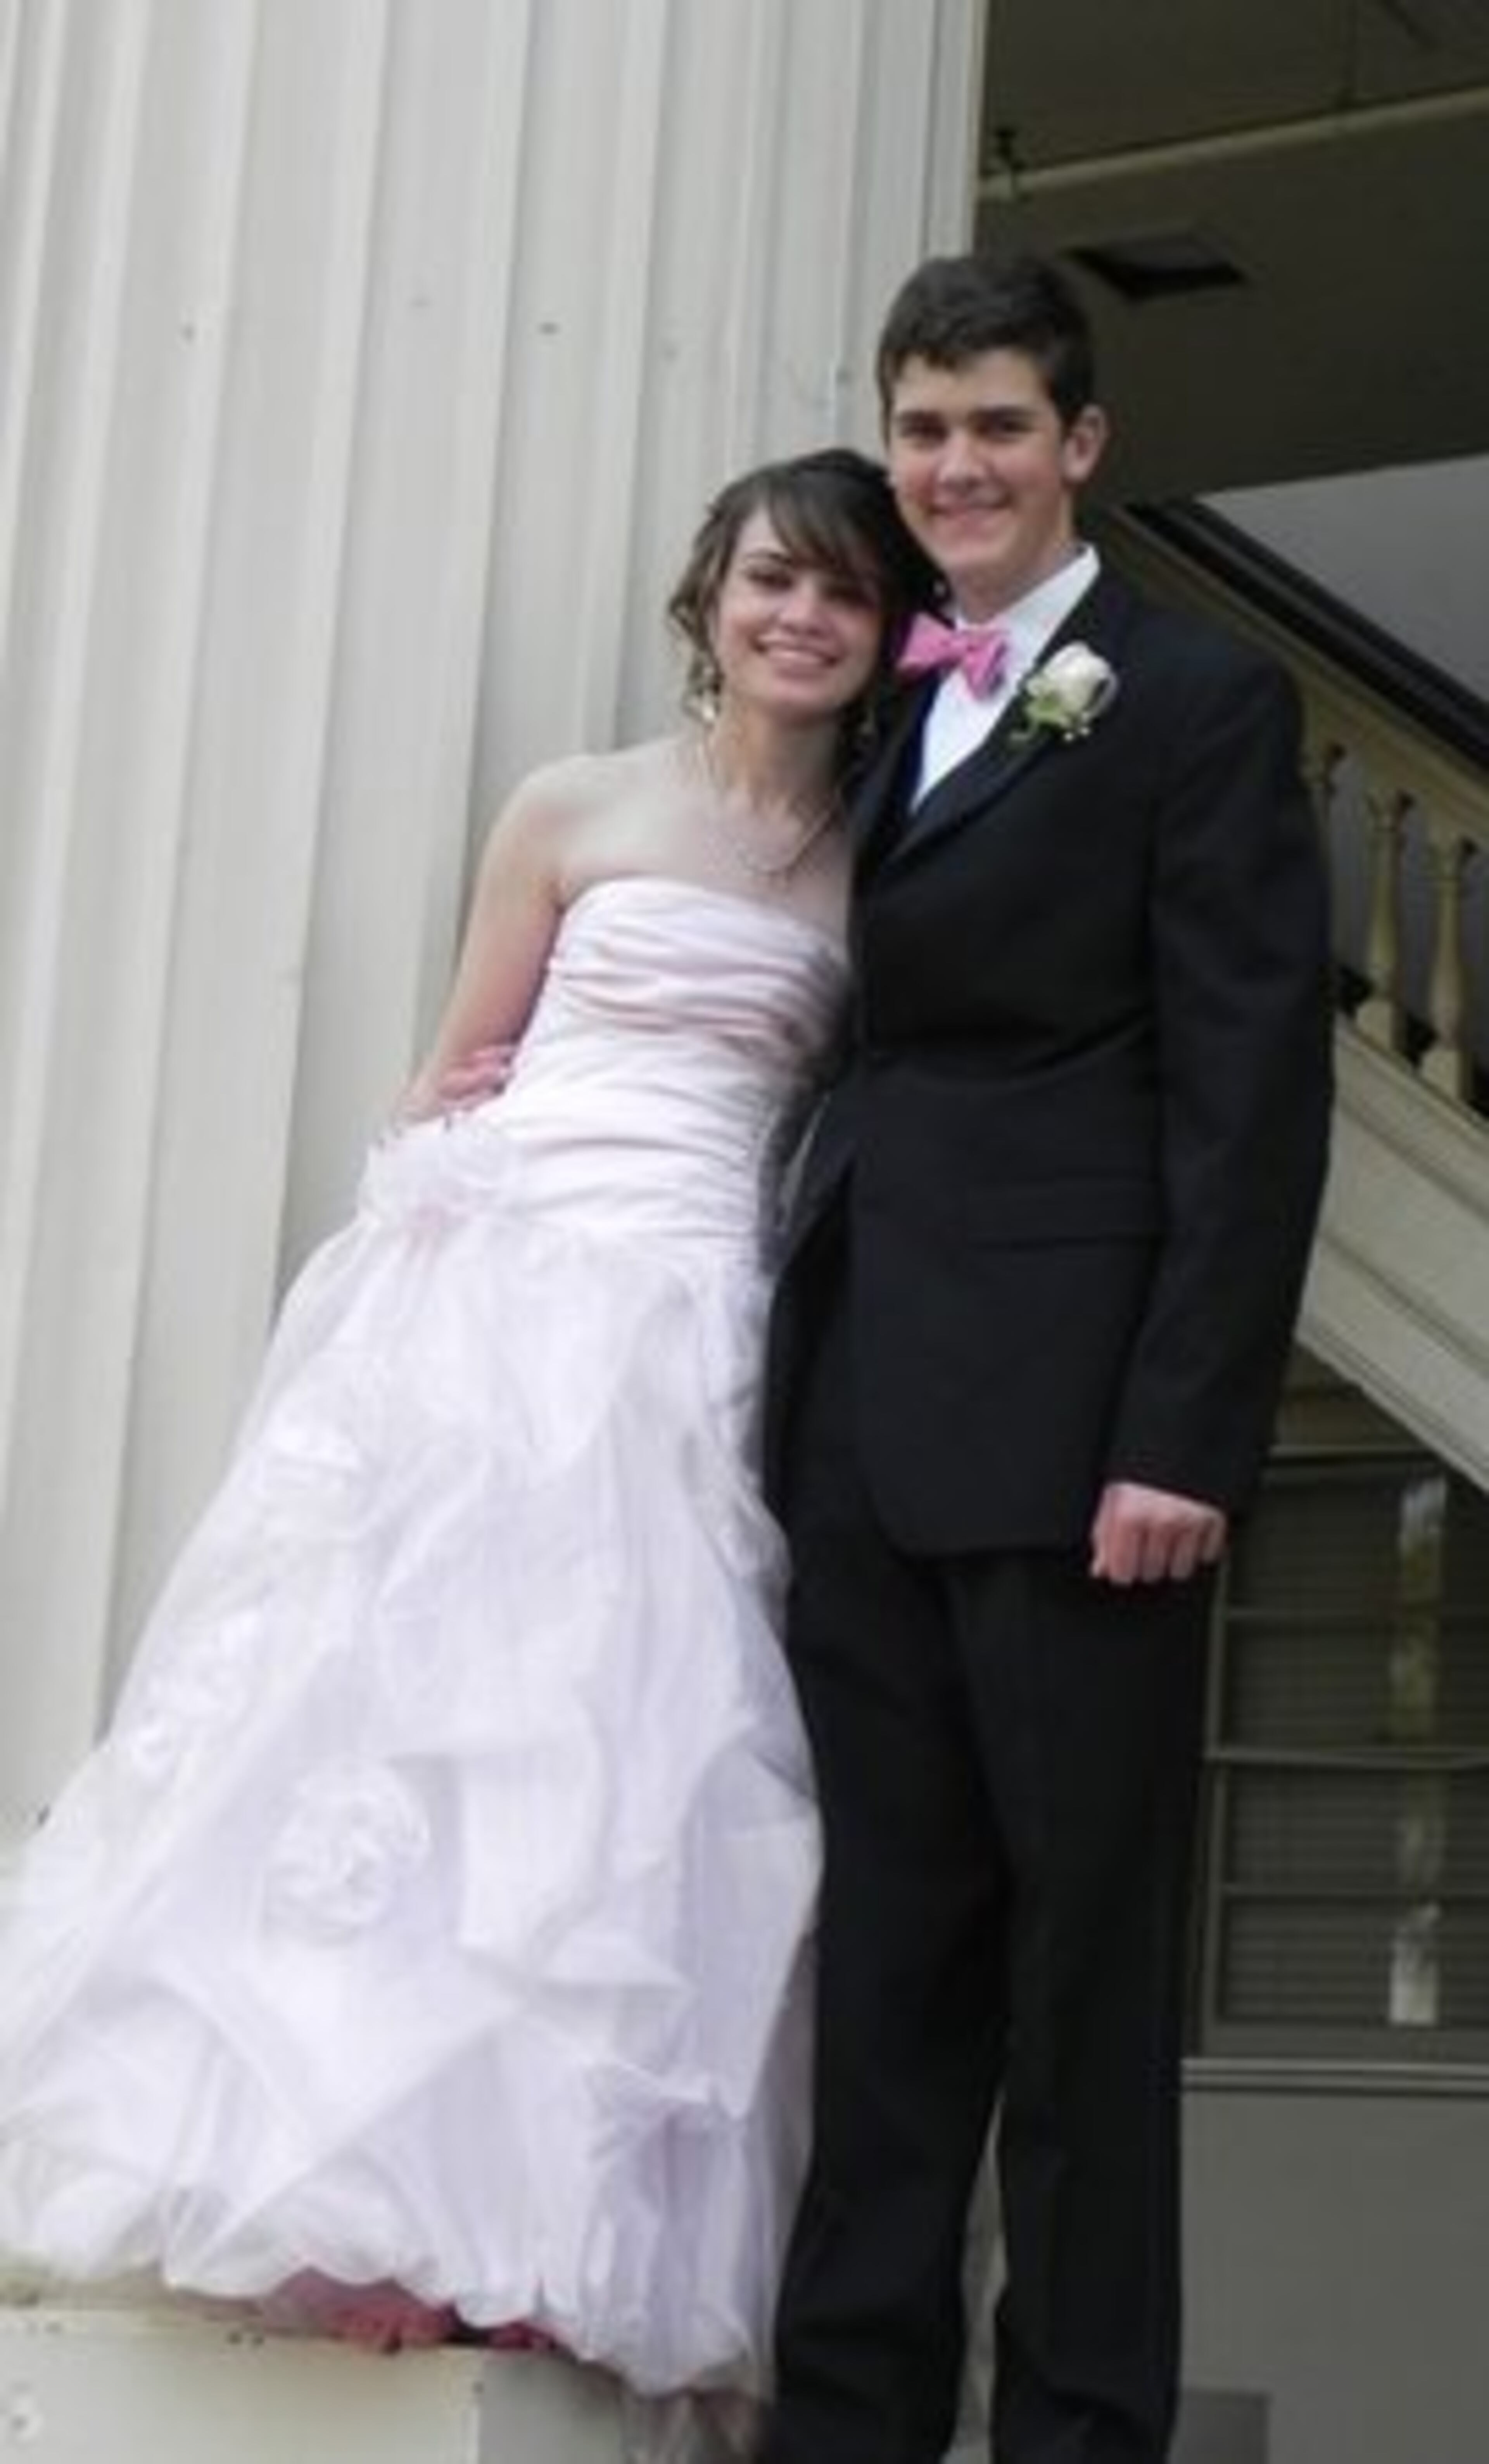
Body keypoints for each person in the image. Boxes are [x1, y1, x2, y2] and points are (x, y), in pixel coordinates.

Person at [0, 449, 931, 2400]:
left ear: (883, 630)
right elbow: (458, 1060)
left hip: (705, 1312)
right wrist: (430, 1252)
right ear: (714, 594)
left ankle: (533, 2230)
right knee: (393, 1728)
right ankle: (345, 2210)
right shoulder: (574, 806)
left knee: (618, 1759)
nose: (803, 619)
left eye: (845, 594)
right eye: (774, 579)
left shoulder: (885, 856)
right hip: (507, 1288)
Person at [760, 256, 1334, 2464]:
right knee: (885, 1988)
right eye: (922, 430)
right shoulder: (882, 709)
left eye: (997, 426)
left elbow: (1250, 1088)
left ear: (1080, 445)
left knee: (1079, 2002)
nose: (955, 467)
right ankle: (845, 2431)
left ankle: (1080, 2438)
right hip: (866, 1437)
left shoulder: (1189, 699)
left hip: (1092, 1452)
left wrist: (1186, 1429)